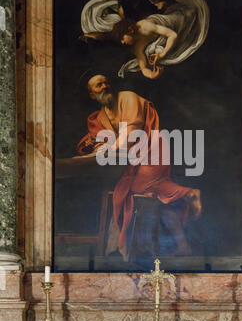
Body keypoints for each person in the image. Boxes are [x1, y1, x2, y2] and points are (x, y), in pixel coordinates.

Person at [77, 74, 202, 260]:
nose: (105, 86)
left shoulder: (127, 97)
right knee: (152, 196)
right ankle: (181, 246)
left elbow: (133, 131)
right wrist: (98, 147)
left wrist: (109, 148)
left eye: (105, 82)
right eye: (98, 85)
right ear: (92, 95)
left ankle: (189, 193)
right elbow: (99, 140)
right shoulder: (101, 117)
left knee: (133, 188)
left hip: (153, 147)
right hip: (134, 156)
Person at [80, 0, 209, 79]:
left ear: (130, 30)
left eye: (122, 39)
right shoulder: (137, 46)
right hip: (167, 30)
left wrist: (163, 54)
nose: (122, 43)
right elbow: (143, 67)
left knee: (191, 14)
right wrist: (151, 74)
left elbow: (173, 35)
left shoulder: (145, 25)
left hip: (172, 22)